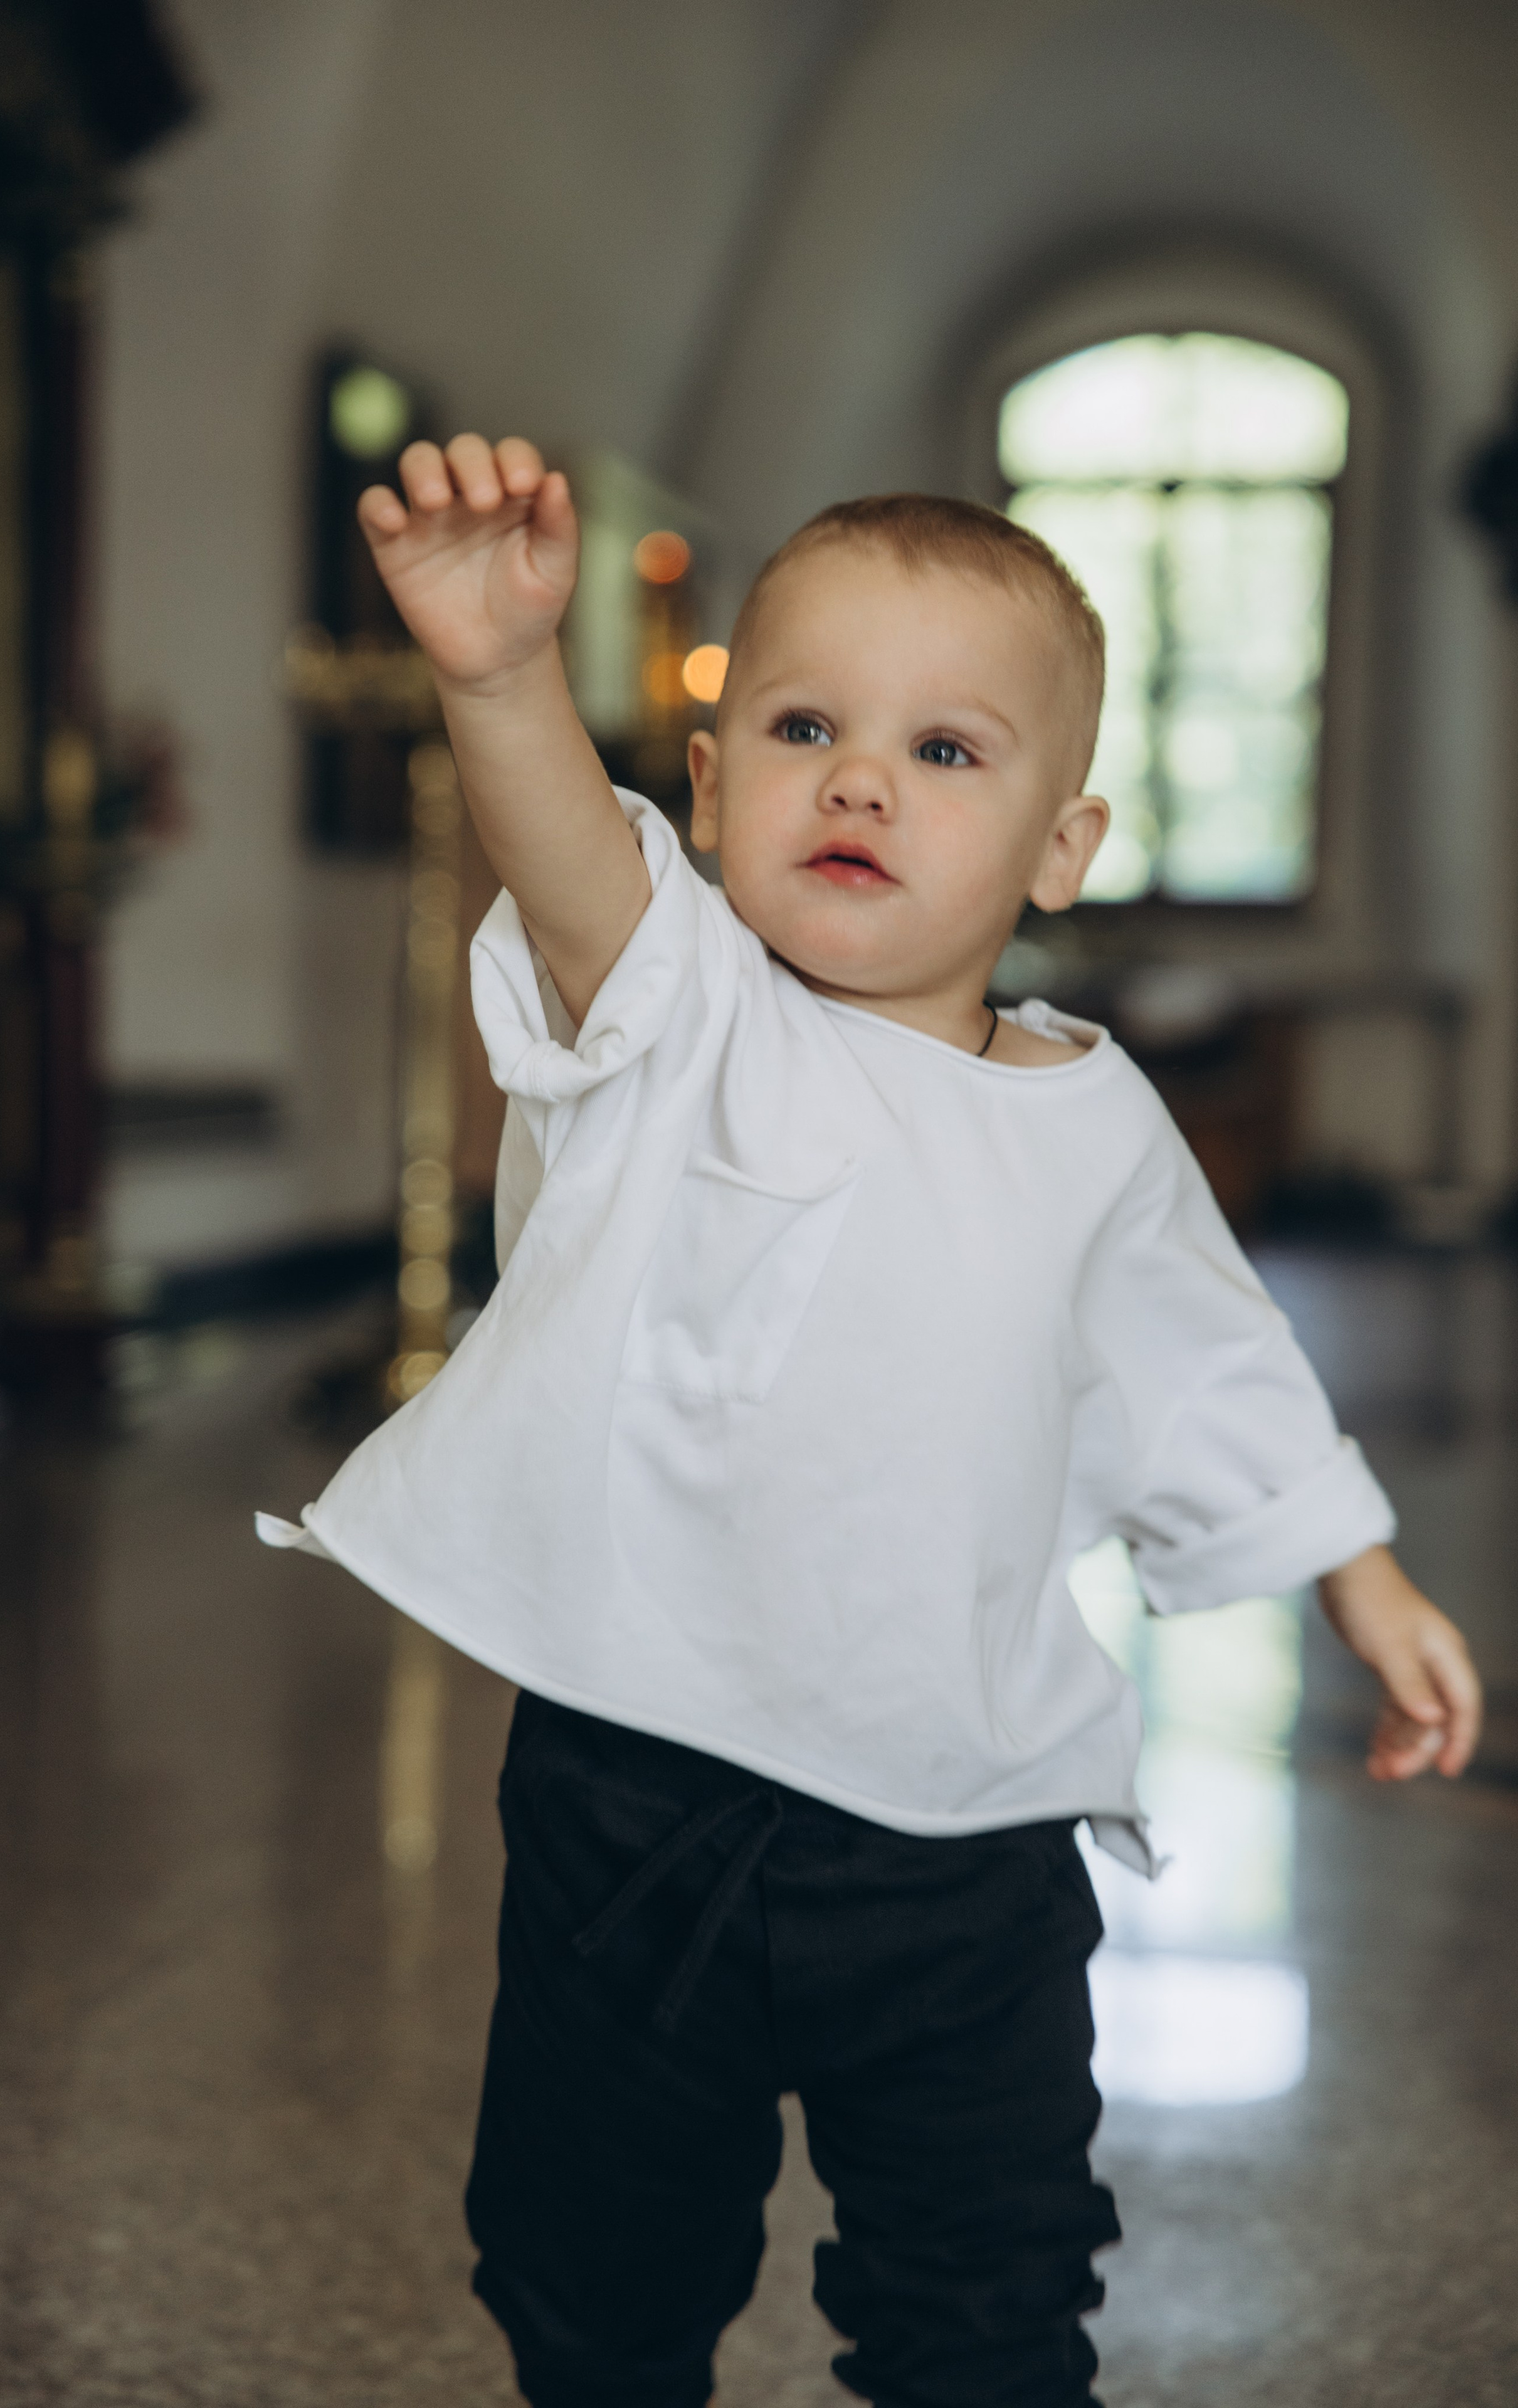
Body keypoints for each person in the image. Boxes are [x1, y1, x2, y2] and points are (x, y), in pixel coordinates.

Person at [258, 433, 1483, 2408]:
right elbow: (573, 868)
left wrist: (1360, 1574)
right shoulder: (680, 1023)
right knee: (593, 2264)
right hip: (640, 1787)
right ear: (716, 784)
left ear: (1058, 847)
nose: (860, 779)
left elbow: (1208, 1361)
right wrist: (494, 678)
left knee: (987, 2287)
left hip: (963, 1821)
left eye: (944, 751)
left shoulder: (1095, 1127)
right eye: (807, 724)